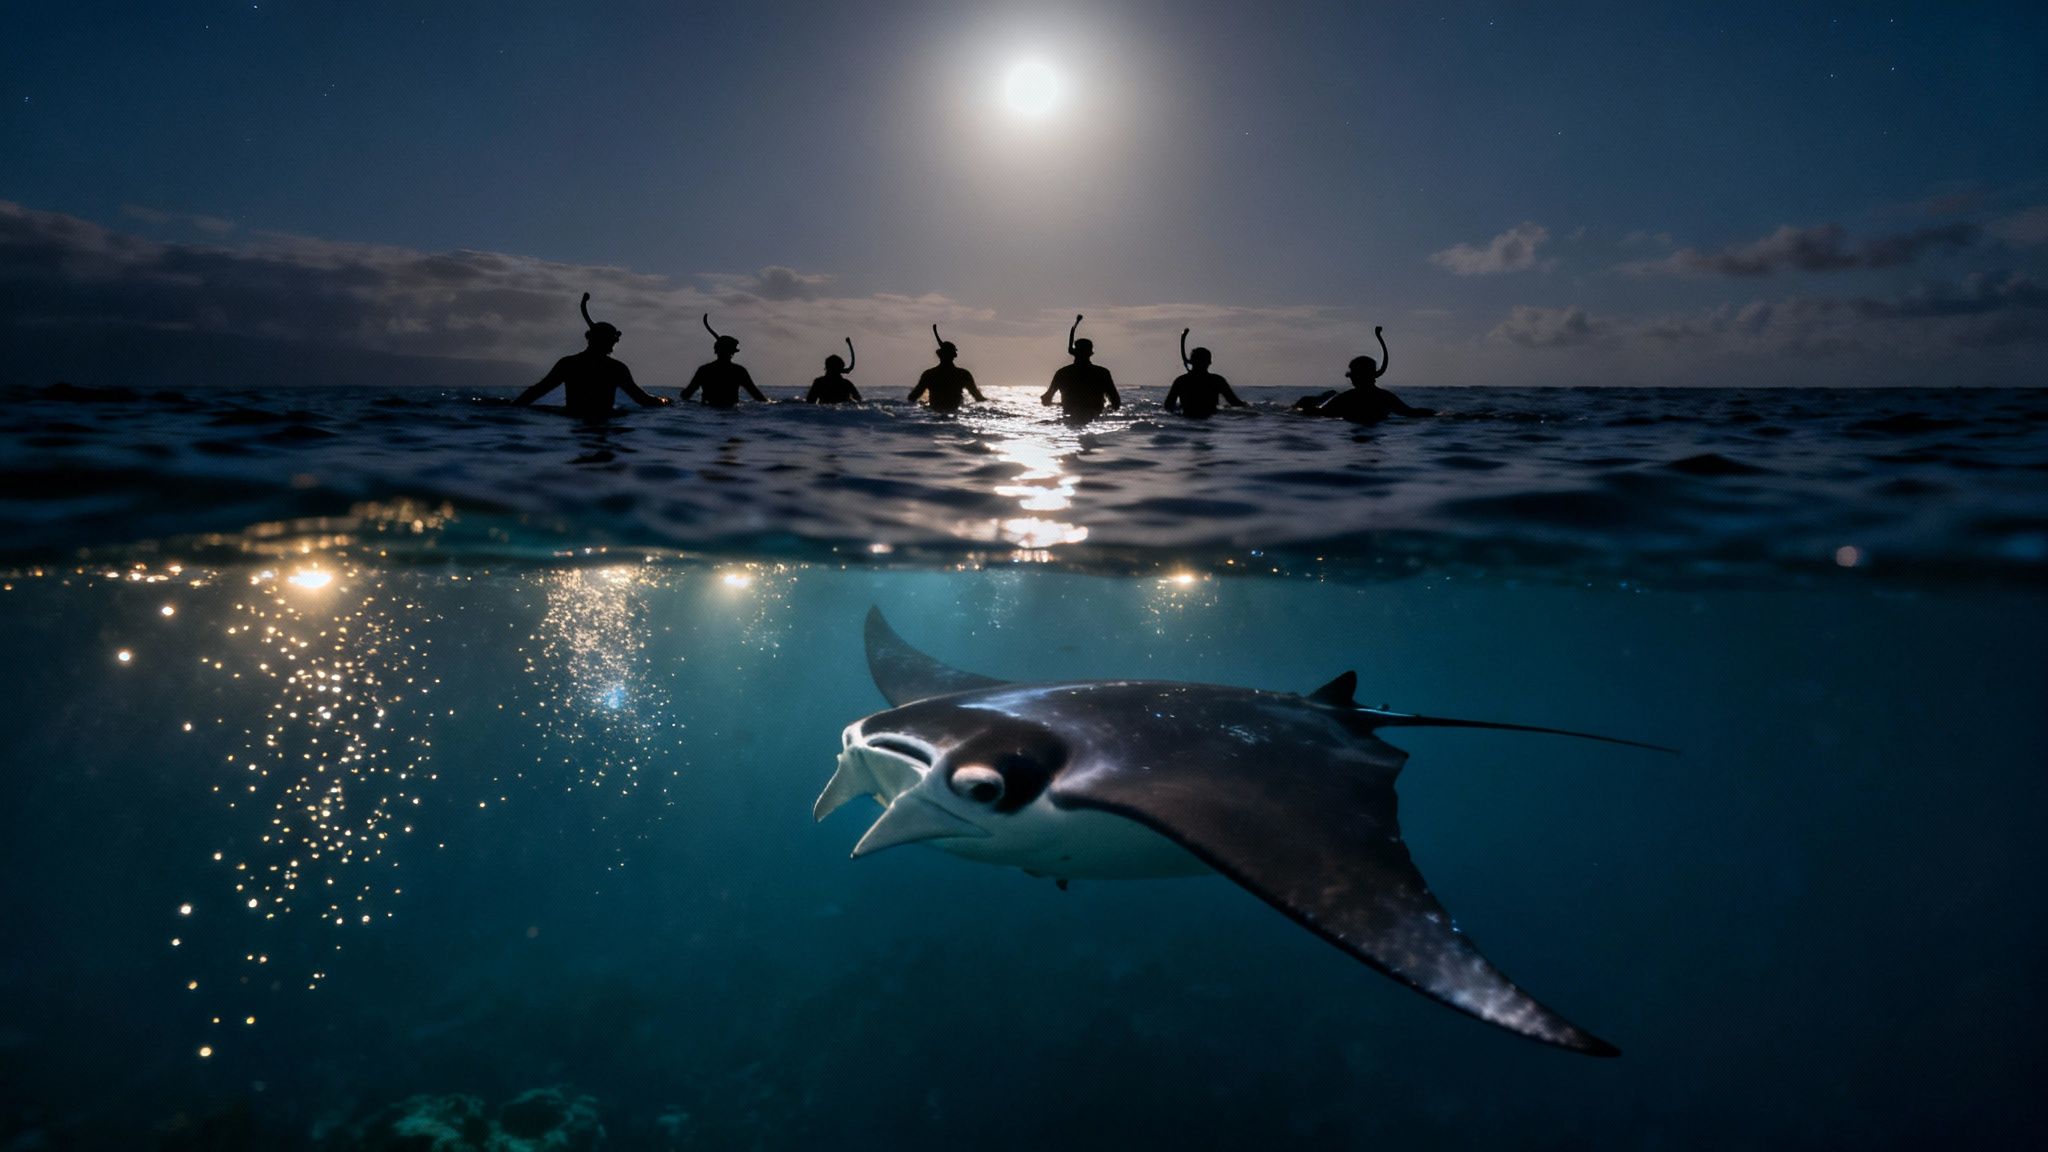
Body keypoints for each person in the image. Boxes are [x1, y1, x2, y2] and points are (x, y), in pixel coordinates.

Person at [514, 294, 670, 420]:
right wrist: (666, 401)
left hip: (574, 423)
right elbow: (643, 400)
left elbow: (534, 393)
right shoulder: (615, 369)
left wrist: (512, 406)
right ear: (610, 342)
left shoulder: (569, 364)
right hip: (604, 422)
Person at [1293, 327, 1434, 423]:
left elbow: (1320, 413)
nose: (1350, 377)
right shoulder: (1385, 397)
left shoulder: (1347, 398)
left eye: (1353, 373)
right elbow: (1410, 413)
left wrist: (1302, 407)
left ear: (1355, 376)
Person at [1041, 315, 1120, 421]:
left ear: (1073, 353)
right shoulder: (1102, 373)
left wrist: (1057, 404)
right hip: (1095, 420)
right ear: (1091, 353)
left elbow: (1046, 400)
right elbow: (1116, 403)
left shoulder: (1062, 373)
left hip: (1070, 419)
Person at [682, 314, 768, 408]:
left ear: (716, 350)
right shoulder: (739, 371)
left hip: (707, 414)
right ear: (732, 352)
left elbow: (685, 395)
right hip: (732, 413)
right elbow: (759, 398)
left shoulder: (704, 370)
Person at [1163, 331, 1247, 418]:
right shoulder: (1217, 380)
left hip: (1187, 420)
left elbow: (1168, 406)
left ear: (1191, 362)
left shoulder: (1181, 381)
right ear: (1209, 362)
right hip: (1211, 421)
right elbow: (1235, 403)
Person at [908, 326, 986, 412]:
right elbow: (978, 398)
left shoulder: (929, 374)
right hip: (955, 415)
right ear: (954, 355)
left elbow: (912, 398)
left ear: (939, 355)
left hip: (934, 414)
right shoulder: (963, 374)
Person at [806, 338, 862, 404]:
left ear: (826, 368)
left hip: (823, 411)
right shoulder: (846, 384)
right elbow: (859, 400)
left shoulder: (819, 383)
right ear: (841, 369)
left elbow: (810, 401)